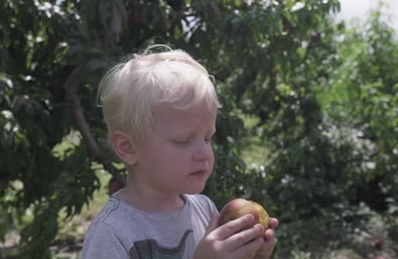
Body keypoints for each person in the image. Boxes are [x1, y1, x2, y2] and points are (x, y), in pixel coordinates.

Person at [81, 45, 279, 259]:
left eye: (207, 138)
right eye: (184, 140)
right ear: (128, 148)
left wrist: (252, 254)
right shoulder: (113, 232)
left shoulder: (204, 210)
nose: (204, 153)